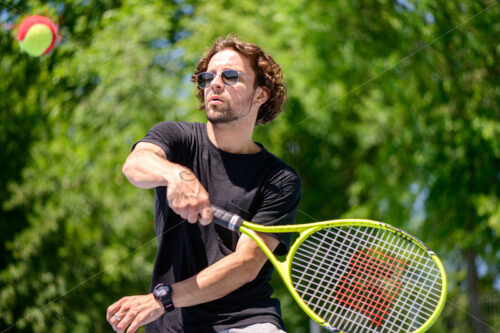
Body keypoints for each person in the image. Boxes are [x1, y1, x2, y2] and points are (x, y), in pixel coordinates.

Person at [106, 35, 302, 333]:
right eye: (207, 77)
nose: (215, 83)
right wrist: (175, 175)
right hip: (172, 324)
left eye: (231, 76)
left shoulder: (280, 180)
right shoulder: (175, 137)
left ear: (260, 95)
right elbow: (135, 165)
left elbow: (246, 264)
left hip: (247, 321)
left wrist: (163, 298)